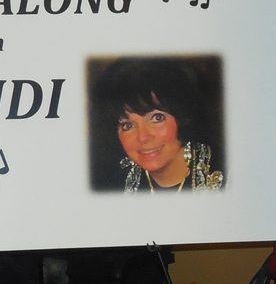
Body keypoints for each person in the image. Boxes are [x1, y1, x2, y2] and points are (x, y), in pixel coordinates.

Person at [91, 56, 225, 192]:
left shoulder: (227, 175)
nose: (143, 137)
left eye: (157, 118)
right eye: (128, 125)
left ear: (185, 116)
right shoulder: (108, 184)